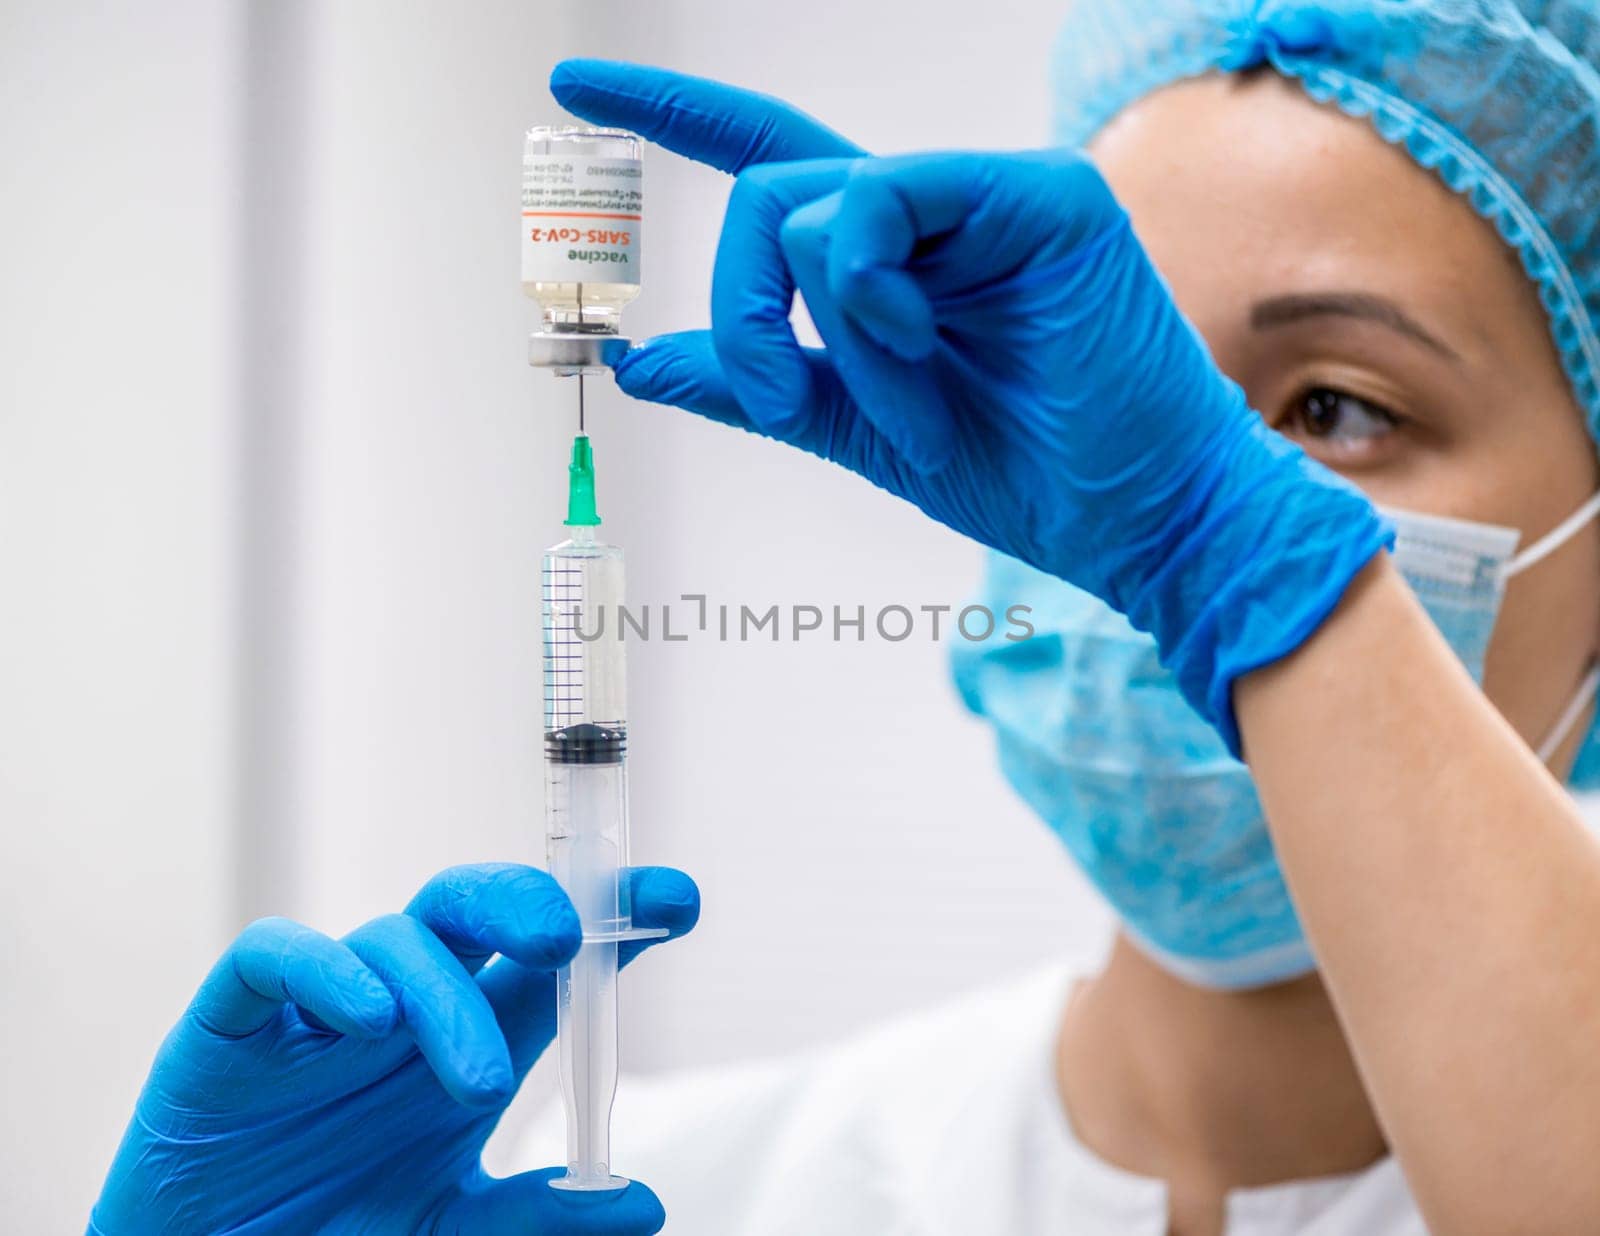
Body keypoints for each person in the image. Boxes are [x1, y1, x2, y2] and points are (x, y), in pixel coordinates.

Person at [90, 2, 1600, 1233]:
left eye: (1334, 407)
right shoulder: (704, 1184)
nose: (1131, 533)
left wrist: (1238, 547)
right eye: (1102, 412)